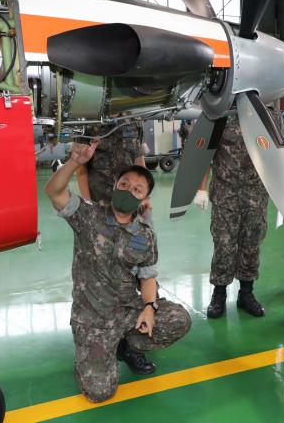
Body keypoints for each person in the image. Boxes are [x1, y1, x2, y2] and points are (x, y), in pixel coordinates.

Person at [45, 141, 191, 403]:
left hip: (127, 310)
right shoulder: (88, 216)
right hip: (93, 318)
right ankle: (96, 351)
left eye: (137, 189)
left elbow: (148, 276)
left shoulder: (145, 234)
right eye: (124, 184)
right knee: (100, 392)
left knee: (178, 319)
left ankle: (127, 345)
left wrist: (149, 307)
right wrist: (75, 162)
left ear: (144, 199)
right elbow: (54, 191)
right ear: (114, 186)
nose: (128, 190)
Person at [193, 111, 280, 318]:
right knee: (223, 244)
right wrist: (201, 189)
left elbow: (276, 155)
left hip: (255, 193)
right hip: (225, 192)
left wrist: (279, 191)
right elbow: (205, 154)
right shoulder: (218, 115)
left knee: (251, 244)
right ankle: (219, 294)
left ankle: (246, 293)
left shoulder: (268, 117)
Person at [76, 120, 146, 205]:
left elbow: (140, 164)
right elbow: (81, 170)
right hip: (99, 201)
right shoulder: (89, 122)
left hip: (129, 199)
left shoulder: (135, 121)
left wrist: (144, 198)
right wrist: (88, 203)